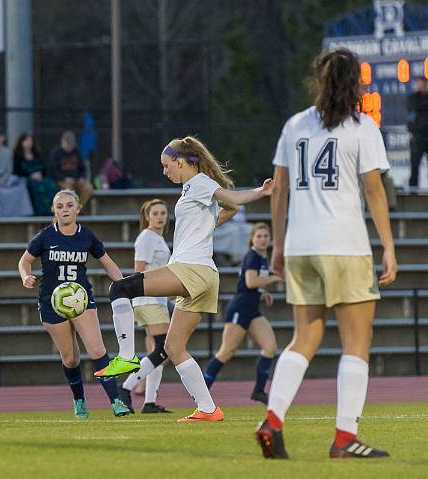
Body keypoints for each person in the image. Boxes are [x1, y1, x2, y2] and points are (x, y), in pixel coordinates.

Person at [256, 48, 397, 460]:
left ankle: (273, 420)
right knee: (356, 343)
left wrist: (279, 245)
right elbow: (374, 191)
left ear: (318, 79)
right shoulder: (361, 126)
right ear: (356, 82)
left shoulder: (295, 124)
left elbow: (278, 189)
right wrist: (388, 246)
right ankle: (343, 438)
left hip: (301, 245)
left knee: (304, 338)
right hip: (345, 245)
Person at [95, 136, 273, 425]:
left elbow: (234, 200)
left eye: (167, 166)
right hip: (205, 275)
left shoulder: (199, 182)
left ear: (181, 162)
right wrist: (205, 226)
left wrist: (260, 192)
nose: (165, 172)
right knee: (174, 348)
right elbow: (229, 209)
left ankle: (127, 356)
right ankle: (208, 408)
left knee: (120, 288)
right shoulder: (195, 187)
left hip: (191, 269)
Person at [18, 190, 131, 419]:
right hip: (51, 303)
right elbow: (24, 261)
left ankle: (116, 401)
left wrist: (124, 286)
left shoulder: (86, 236)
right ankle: (79, 400)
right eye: (60, 206)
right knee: (70, 358)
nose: (65, 210)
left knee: (97, 349)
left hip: (81, 300)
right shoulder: (44, 237)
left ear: (78, 209)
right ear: (54, 211)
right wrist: (25, 276)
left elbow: (108, 263)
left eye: (70, 205)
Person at [203, 222, 283, 404]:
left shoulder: (262, 257)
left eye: (265, 236)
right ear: (252, 239)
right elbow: (250, 282)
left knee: (270, 347)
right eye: (259, 236)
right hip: (239, 309)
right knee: (226, 352)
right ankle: (201, 388)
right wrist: (274, 278)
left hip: (252, 310)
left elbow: (255, 285)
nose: (263, 239)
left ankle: (259, 391)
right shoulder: (252, 256)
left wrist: (264, 293)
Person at [117, 199, 173, 414]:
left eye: (163, 213)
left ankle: (149, 402)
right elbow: (139, 271)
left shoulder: (157, 238)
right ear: (147, 216)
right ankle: (126, 388)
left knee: (157, 351)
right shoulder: (147, 238)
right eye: (155, 213)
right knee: (163, 349)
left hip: (155, 299)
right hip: (148, 299)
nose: (160, 217)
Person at [0, 126, 33, 217]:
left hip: (5, 179)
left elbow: (9, 170)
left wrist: (4, 179)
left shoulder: (8, 152)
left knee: (20, 182)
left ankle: (22, 213)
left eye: (0, 136)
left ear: (4, 138)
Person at [13, 132, 58, 216]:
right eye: (26, 141)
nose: (29, 143)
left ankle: (52, 211)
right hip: (27, 179)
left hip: (40, 178)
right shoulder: (17, 156)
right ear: (21, 142)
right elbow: (17, 171)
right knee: (37, 188)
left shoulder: (37, 154)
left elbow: (44, 168)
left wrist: (40, 174)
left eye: (30, 141)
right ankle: (39, 212)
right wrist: (30, 175)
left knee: (50, 184)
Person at [48, 131, 93, 206]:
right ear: (62, 142)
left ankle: (77, 209)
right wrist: (64, 178)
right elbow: (53, 170)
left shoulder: (76, 152)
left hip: (77, 180)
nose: (69, 147)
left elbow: (83, 168)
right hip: (62, 181)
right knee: (69, 191)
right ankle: (71, 210)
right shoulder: (56, 153)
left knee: (88, 188)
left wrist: (82, 177)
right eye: (68, 145)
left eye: (71, 145)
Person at [408, 76, 428, 188]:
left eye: (421, 83)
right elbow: (413, 106)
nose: (419, 85)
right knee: (414, 166)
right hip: (417, 137)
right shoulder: (413, 98)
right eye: (417, 83)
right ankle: (413, 192)